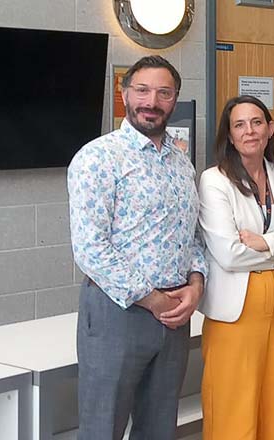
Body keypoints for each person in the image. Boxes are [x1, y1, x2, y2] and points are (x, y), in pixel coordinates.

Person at [67, 55, 207, 440]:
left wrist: (196, 285)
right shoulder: (97, 158)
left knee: (159, 428)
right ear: (124, 93)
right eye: (142, 90)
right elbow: (90, 248)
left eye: (164, 93)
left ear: (174, 99)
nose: (152, 101)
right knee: (103, 429)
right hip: (118, 313)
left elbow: (191, 236)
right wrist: (150, 298)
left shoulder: (182, 164)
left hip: (175, 316)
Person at [197, 95, 274, 440]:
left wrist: (267, 242)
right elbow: (229, 254)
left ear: (270, 128)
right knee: (233, 409)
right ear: (229, 135)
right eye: (239, 124)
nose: (249, 131)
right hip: (235, 311)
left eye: (256, 122)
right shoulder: (214, 180)